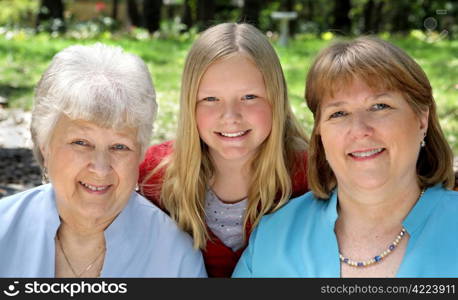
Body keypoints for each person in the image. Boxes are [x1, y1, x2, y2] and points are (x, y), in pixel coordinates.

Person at [233, 36, 458, 277]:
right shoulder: (274, 235)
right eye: (339, 113)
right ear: (319, 131)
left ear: (422, 119)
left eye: (380, 106)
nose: (360, 129)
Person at [0, 43, 206, 277]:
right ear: (45, 145)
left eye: (120, 146)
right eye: (81, 142)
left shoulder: (174, 257)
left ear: (140, 154)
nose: (100, 168)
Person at [138, 22, 309, 277]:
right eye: (210, 99)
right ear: (190, 104)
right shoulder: (155, 174)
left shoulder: (310, 172)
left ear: (276, 97)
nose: (230, 116)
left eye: (249, 97)